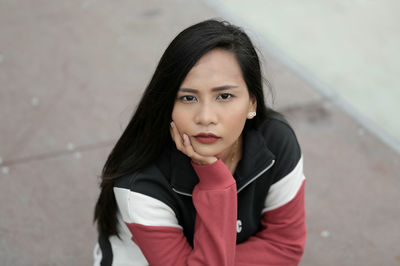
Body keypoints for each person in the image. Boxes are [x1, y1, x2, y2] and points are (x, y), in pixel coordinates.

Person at [93, 19, 306, 266]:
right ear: (167, 105)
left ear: (252, 103)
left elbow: (286, 246)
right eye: (188, 98)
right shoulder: (139, 184)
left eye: (224, 96)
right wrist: (215, 182)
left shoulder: (276, 141)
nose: (205, 117)